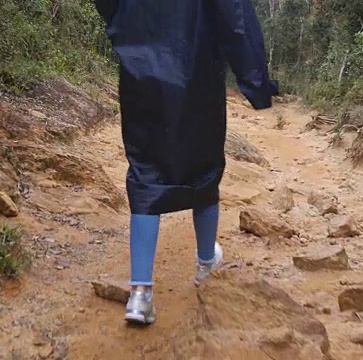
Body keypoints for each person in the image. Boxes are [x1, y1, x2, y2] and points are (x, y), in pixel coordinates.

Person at [94, 0, 278, 325]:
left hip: (139, 71)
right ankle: (206, 264)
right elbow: (235, 18)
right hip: (198, 70)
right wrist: (257, 83)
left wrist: (128, 32)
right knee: (204, 167)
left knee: (145, 172)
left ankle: (140, 294)